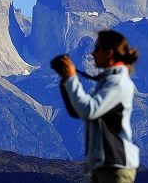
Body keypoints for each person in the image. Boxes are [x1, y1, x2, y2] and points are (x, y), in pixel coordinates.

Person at [51, 30, 139, 183]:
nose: (92, 54)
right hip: (106, 164)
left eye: (97, 49)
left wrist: (72, 79)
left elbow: (89, 110)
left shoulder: (118, 83)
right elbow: (77, 111)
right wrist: (67, 80)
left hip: (115, 164)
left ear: (110, 53)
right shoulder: (109, 81)